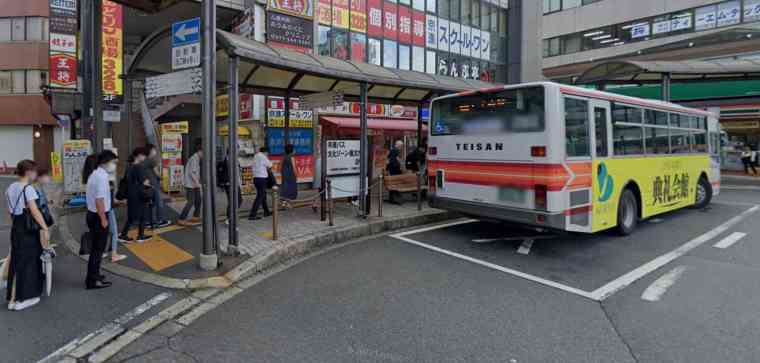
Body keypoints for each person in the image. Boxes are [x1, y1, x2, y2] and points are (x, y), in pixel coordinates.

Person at [5, 159, 52, 310]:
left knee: (16, 262)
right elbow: (34, 210)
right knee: (29, 262)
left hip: (16, 228)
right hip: (28, 231)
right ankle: (23, 299)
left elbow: (10, 211)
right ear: (28, 172)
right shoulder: (28, 189)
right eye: (34, 171)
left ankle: (12, 299)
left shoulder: (10, 187)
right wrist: (44, 228)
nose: (35, 174)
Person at [85, 151, 117, 290]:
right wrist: (104, 219)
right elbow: (99, 200)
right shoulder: (100, 177)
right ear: (105, 162)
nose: (113, 165)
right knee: (97, 251)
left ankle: (95, 275)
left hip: (94, 215)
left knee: (96, 250)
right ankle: (92, 280)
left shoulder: (96, 174)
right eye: (113, 162)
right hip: (99, 216)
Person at [118, 148, 152, 242]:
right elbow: (145, 182)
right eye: (144, 155)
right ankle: (140, 236)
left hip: (131, 195)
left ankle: (124, 235)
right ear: (139, 155)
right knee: (143, 215)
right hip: (139, 195)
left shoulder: (129, 166)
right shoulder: (139, 167)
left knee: (132, 217)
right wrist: (149, 183)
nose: (145, 157)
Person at [144, 144, 170, 228]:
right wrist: (163, 178)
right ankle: (161, 220)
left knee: (150, 204)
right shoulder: (152, 160)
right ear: (151, 150)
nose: (155, 151)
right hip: (154, 184)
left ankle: (148, 222)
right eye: (154, 150)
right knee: (158, 203)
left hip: (148, 185)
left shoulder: (144, 160)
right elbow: (157, 173)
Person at [179, 141, 203, 226]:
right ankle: (181, 218)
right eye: (204, 152)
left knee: (198, 200)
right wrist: (197, 183)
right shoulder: (194, 158)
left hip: (194, 184)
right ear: (200, 151)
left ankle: (195, 216)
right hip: (190, 185)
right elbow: (192, 173)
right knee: (191, 202)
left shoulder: (197, 159)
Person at [218, 148, 243, 222]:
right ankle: (229, 218)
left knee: (238, 200)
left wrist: (239, 183)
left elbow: (237, 173)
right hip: (229, 184)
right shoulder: (226, 161)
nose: (238, 152)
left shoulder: (235, 160)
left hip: (235, 184)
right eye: (237, 150)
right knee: (233, 201)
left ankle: (231, 216)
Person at [249, 146, 272, 220]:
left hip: (256, 178)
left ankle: (266, 211)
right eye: (267, 153)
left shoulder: (255, 156)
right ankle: (252, 215)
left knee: (263, 195)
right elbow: (270, 165)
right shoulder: (263, 156)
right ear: (266, 152)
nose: (267, 154)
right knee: (260, 196)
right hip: (262, 179)